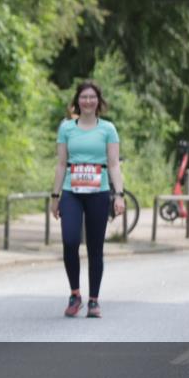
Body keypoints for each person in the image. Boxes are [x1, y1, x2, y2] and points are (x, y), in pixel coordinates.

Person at [50, 81, 125, 319]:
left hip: (98, 192)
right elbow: (61, 164)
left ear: (98, 101)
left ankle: (94, 299)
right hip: (71, 191)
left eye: (92, 97)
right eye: (84, 97)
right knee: (70, 241)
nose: (88, 101)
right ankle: (75, 294)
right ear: (77, 101)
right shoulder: (66, 128)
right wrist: (55, 196)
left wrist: (119, 195)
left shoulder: (108, 129)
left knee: (95, 247)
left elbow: (114, 165)